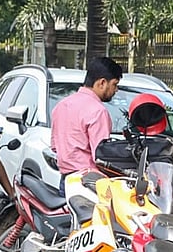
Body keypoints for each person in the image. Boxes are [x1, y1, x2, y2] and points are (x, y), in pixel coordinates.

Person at [50, 56, 121, 191]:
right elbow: (101, 157)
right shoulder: (98, 111)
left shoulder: (61, 106)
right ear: (102, 83)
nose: (116, 90)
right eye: (114, 84)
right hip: (89, 183)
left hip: (66, 181)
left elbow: (55, 147)